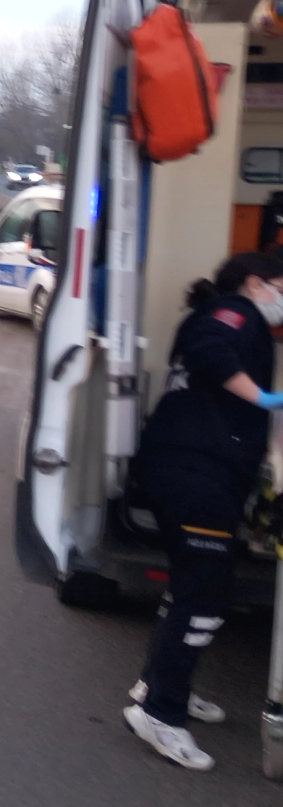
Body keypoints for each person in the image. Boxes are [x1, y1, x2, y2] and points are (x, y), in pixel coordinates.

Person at [123, 251, 283, 770]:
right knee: (207, 592)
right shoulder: (235, 312)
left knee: (190, 586)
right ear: (259, 283)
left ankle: (159, 685)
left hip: (194, 471)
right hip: (194, 473)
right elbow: (209, 349)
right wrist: (265, 399)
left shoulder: (241, 318)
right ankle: (162, 715)